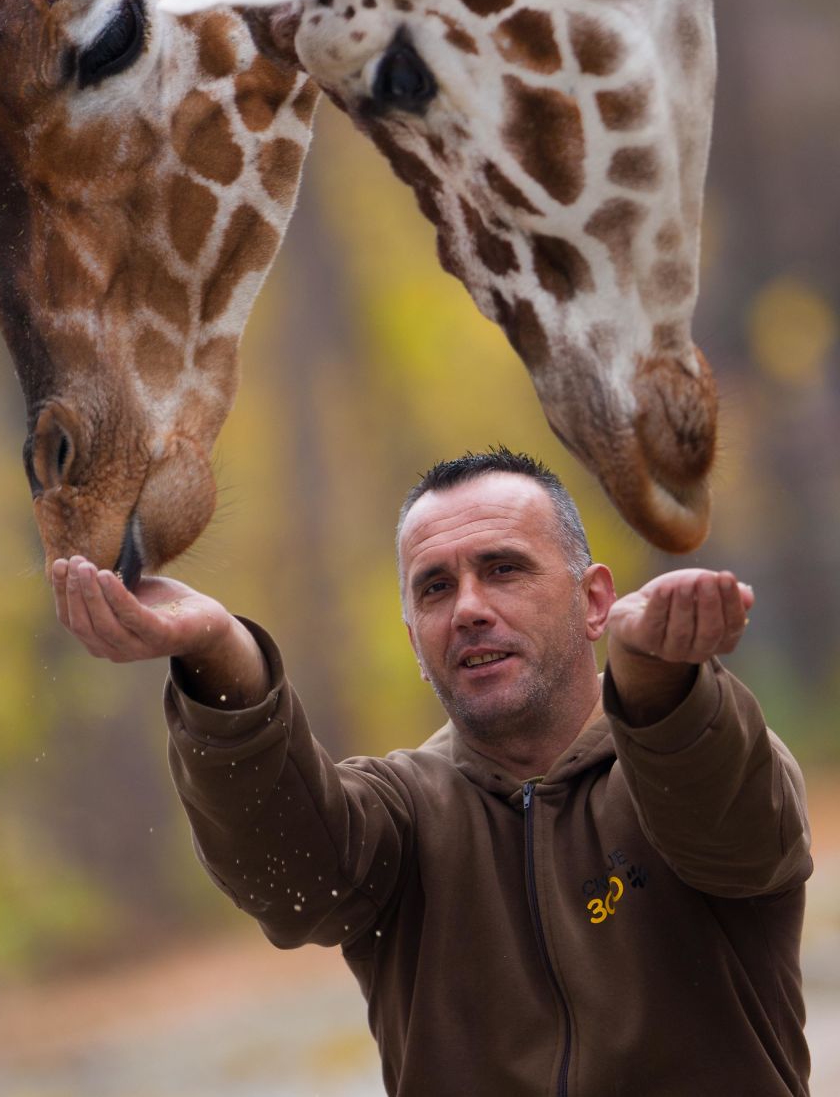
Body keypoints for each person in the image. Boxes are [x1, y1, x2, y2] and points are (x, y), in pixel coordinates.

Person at [52, 448, 812, 1097]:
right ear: (414, 639)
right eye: (436, 587)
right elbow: (289, 878)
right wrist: (219, 653)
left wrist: (655, 681)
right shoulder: (399, 813)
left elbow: (737, 834)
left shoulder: (705, 756)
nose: (470, 608)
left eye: (504, 569)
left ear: (594, 600)